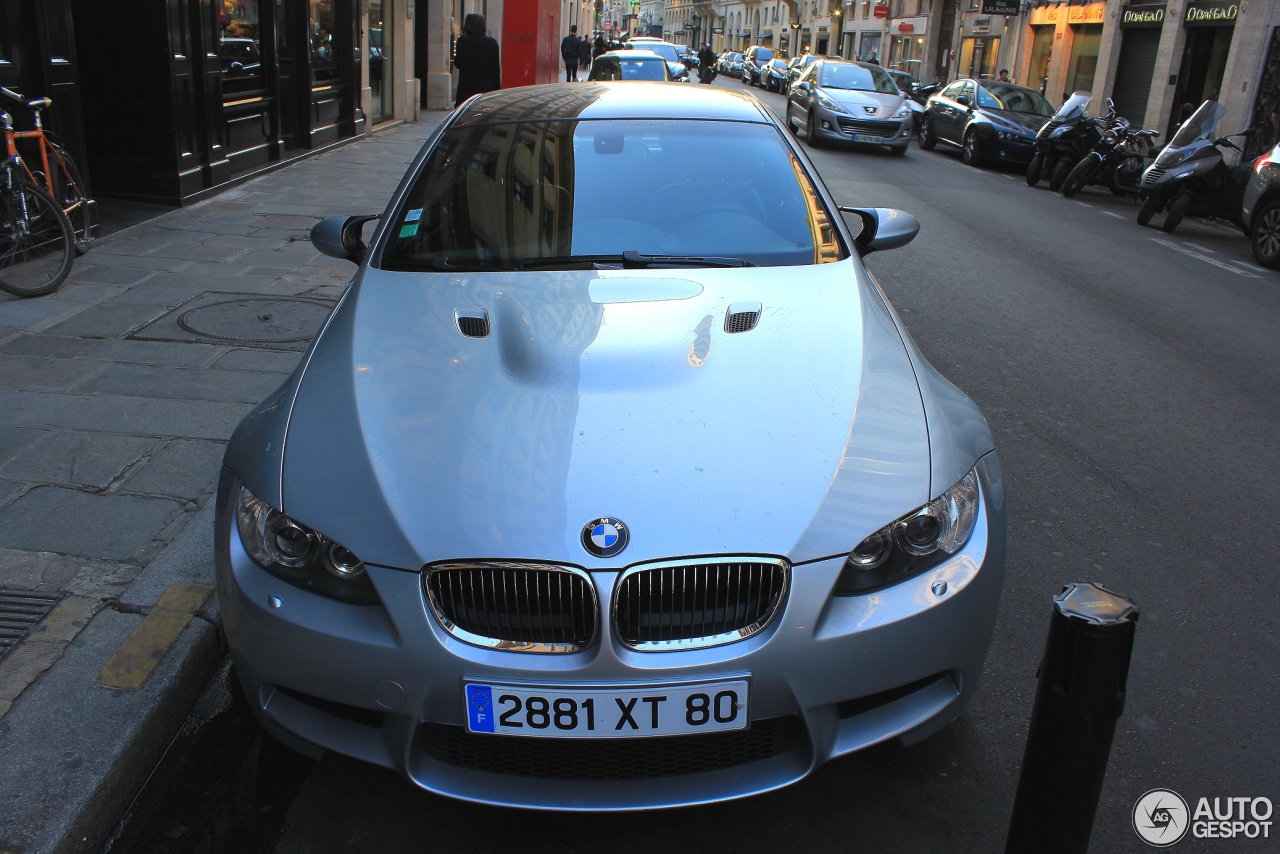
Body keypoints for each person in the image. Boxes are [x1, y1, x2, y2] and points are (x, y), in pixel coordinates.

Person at [453, 13, 501, 106]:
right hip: (486, 92)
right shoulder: (492, 43)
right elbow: (496, 71)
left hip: (466, 92)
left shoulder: (462, 41)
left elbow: (458, 63)